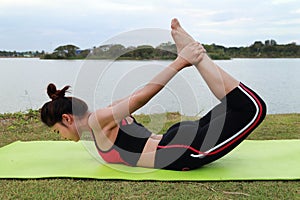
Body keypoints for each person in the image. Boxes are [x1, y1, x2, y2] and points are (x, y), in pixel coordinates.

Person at [41, 19, 266, 171]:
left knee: (252, 108)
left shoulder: (96, 121)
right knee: (239, 106)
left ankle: (196, 57)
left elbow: (141, 96)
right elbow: (137, 95)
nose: (61, 136)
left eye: (57, 131)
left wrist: (180, 63)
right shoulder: (106, 114)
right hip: (175, 139)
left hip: (181, 150)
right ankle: (197, 55)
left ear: (67, 119)